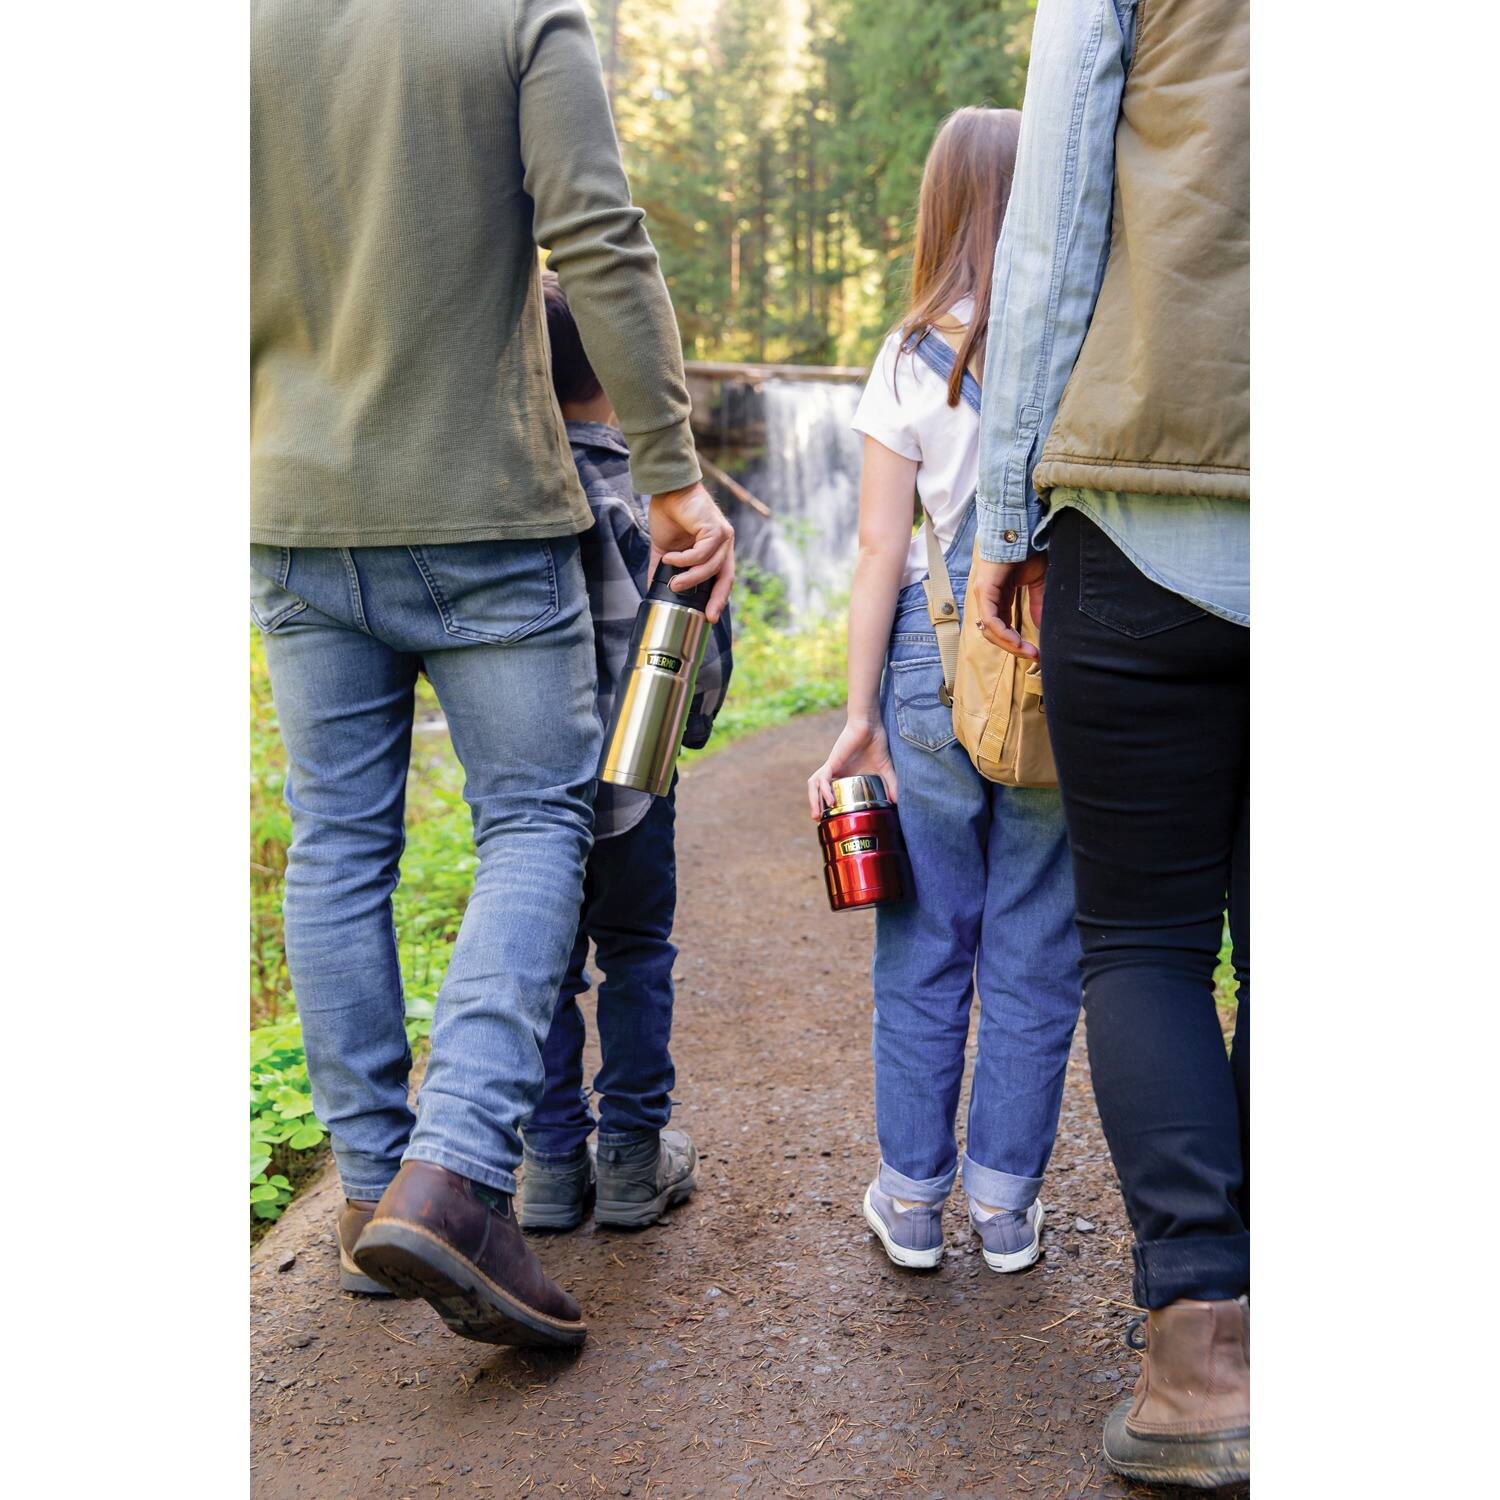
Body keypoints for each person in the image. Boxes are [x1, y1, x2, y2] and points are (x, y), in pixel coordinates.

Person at [250, 0, 733, 1349]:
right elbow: (598, 235)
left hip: (294, 505)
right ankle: (456, 1182)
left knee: (339, 846)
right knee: (536, 819)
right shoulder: (518, 13)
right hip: (482, 507)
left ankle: (367, 1198)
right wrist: (675, 479)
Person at [969, 0, 1249, 1485]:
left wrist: (1006, 516)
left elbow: (1056, 215)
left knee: (1139, 938)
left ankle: (1205, 1353)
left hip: (1147, 510)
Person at [807, 108, 1082, 1278]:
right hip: (1051, 660)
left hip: (931, 657)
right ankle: (1006, 1208)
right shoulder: (1079, 344)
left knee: (923, 940)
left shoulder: (910, 353)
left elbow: (880, 550)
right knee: (1038, 941)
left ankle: (912, 1201)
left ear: (938, 207)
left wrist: (860, 710)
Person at [517, 274, 733, 1233]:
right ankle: (635, 1159)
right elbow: (704, 646)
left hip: (533, 795)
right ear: (618, 372)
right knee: (639, 954)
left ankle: (552, 1166)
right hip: (636, 788)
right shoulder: (652, 505)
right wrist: (687, 730)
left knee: (546, 973)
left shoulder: (512, 493)